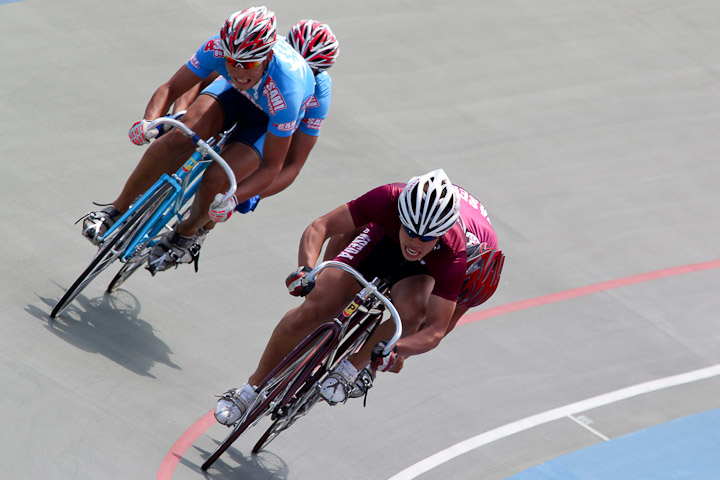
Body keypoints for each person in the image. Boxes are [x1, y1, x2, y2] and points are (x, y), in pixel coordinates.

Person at [214, 169, 504, 426]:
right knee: (316, 306)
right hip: (383, 239)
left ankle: (351, 367)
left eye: (426, 238)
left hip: (433, 268)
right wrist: (307, 272)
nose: (416, 243)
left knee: (414, 313)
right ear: (400, 215)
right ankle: (249, 390)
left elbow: (438, 329)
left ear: (441, 234)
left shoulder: (456, 255)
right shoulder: (388, 198)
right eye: (411, 231)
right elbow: (322, 227)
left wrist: (395, 349)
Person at [80, 8, 332, 272]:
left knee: (217, 183)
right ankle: (116, 210)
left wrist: (238, 198)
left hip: (265, 121)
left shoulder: (288, 91)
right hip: (232, 96)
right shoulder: (217, 50)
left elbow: (274, 166)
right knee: (177, 138)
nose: (237, 69)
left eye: (247, 64)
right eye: (231, 61)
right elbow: (171, 88)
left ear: (267, 56)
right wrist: (149, 121)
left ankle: (186, 234)